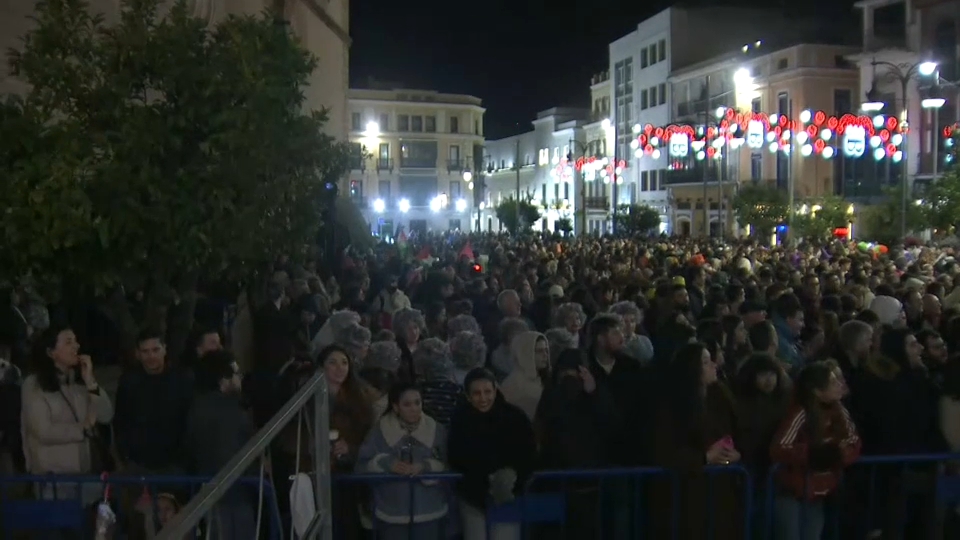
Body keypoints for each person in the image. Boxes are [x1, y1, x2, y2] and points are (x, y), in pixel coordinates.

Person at [21, 325, 114, 505]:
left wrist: (91, 382)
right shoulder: (34, 385)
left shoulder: (78, 383)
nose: (76, 346)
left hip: (84, 475)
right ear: (51, 352)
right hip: (52, 479)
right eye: (68, 342)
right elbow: (42, 431)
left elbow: (105, 415)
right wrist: (82, 428)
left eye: (76, 341)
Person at [770, 362, 861, 540]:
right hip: (793, 492)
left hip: (819, 492)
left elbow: (853, 441)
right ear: (817, 391)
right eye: (833, 382)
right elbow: (779, 447)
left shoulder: (839, 411)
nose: (840, 385)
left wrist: (837, 454)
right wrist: (813, 454)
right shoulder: (800, 413)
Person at [447, 368, 536, 540]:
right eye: (477, 393)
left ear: (495, 390)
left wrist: (512, 477)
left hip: (508, 496)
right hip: (472, 498)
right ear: (467, 395)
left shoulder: (515, 417)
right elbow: (455, 456)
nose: (483, 398)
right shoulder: (460, 420)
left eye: (488, 392)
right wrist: (483, 478)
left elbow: (529, 454)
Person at [356, 382, 448, 539]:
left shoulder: (437, 430)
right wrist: (386, 463)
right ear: (396, 407)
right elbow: (361, 465)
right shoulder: (379, 431)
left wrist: (426, 466)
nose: (414, 408)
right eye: (407, 404)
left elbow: (449, 462)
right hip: (391, 513)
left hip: (430, 511)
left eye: (417, 403)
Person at [182, 349, 256, 540]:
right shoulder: (228, 412)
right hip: (232, 497)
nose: (240, 379)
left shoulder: (198, 406)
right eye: (236, 374)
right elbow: (227, 452)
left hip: (211, 493)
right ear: (223, 379)